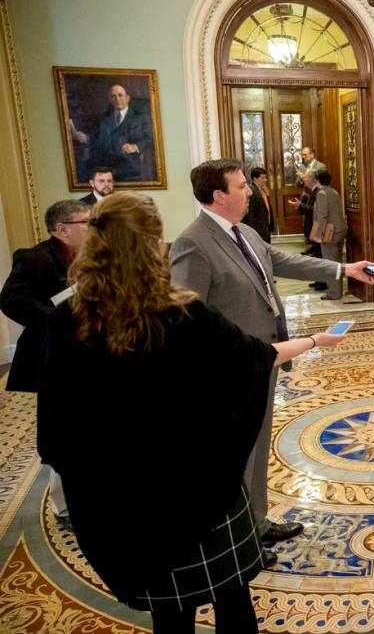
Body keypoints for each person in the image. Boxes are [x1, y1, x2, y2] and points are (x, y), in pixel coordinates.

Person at [37, 193, 347, 633]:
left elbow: (57, 428)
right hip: (199, 495)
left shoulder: (67, 320)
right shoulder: (179, 313)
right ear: (151, 244)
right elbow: (255, 359)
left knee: (170, 616)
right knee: (233, 605)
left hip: (124, 509)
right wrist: (316, 341)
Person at [169, 159, 374, 567]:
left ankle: (257, 523)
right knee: (236, 455)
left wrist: (342, 267)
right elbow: (183, 318)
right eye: (242, 186)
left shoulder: (243, 231)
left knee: (258, 445)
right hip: (227, 369)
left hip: (260, 360)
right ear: (218, 196)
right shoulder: (193, 242)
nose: (250, 191)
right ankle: (239, 540)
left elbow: (283, 263)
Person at [1, 199, 90, 531]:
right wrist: (58, 320)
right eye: (87, 223)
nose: (93, 229)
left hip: (83, 356)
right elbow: (11, 300)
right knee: (64, 429)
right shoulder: (34, 258)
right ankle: (64, 506)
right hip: (51, 356)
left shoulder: (91, 256)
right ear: (63, 229)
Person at [81, 83, 154, 181]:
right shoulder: (103, 119)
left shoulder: (140, 117)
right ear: (110, 100)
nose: (117, 99)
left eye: (120, 95)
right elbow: (95, 140)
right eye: (113, 96)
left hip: (130, 167)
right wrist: (83, 138)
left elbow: (150, 138)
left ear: (127, 98)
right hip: (106, 169)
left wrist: (135, 146)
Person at [310, 169, 347, 300]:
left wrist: (319, 236)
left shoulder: (321, 194)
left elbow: (322, 216)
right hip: (340, 231)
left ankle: (334, 293)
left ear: (318, 180)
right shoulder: (334, 191)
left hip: (329, 233)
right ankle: (338, 290)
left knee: (331, 264)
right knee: (337, 263)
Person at [242, 166, 275, 243]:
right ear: (255, 178)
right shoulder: (252, 191)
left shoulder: (262, 190)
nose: (265, 180)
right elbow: (249, 215)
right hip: (258, 231)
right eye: (263, 178)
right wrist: (252, 233)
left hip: (264, 229)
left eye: (266, 178)